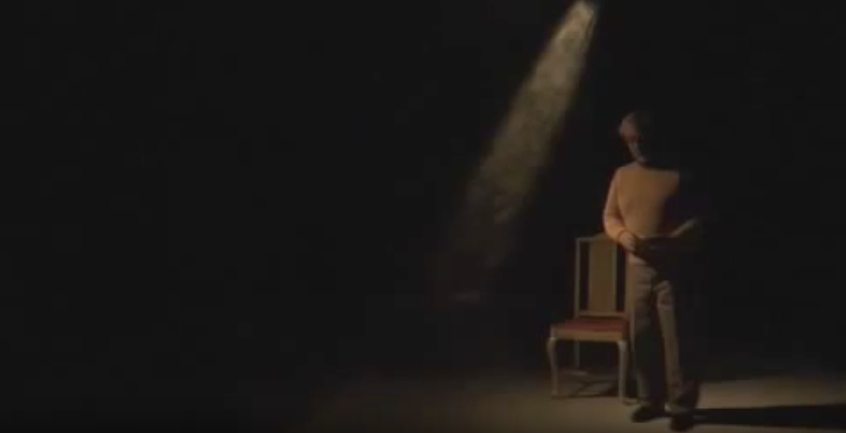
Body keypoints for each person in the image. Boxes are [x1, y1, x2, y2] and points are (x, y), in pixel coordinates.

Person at [603, 110, 706, 431]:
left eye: (641, 139)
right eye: (630, 141)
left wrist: (674, 240)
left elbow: (699, 219)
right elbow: (610, 216)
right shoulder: (622, 175)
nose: (636, 146)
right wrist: (622, 235)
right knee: (642, 336)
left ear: (654, 137)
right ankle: (650, 400)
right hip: (637, 268)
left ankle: (682, 406)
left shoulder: (679, 175)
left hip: (673, 268)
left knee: (677, 338)